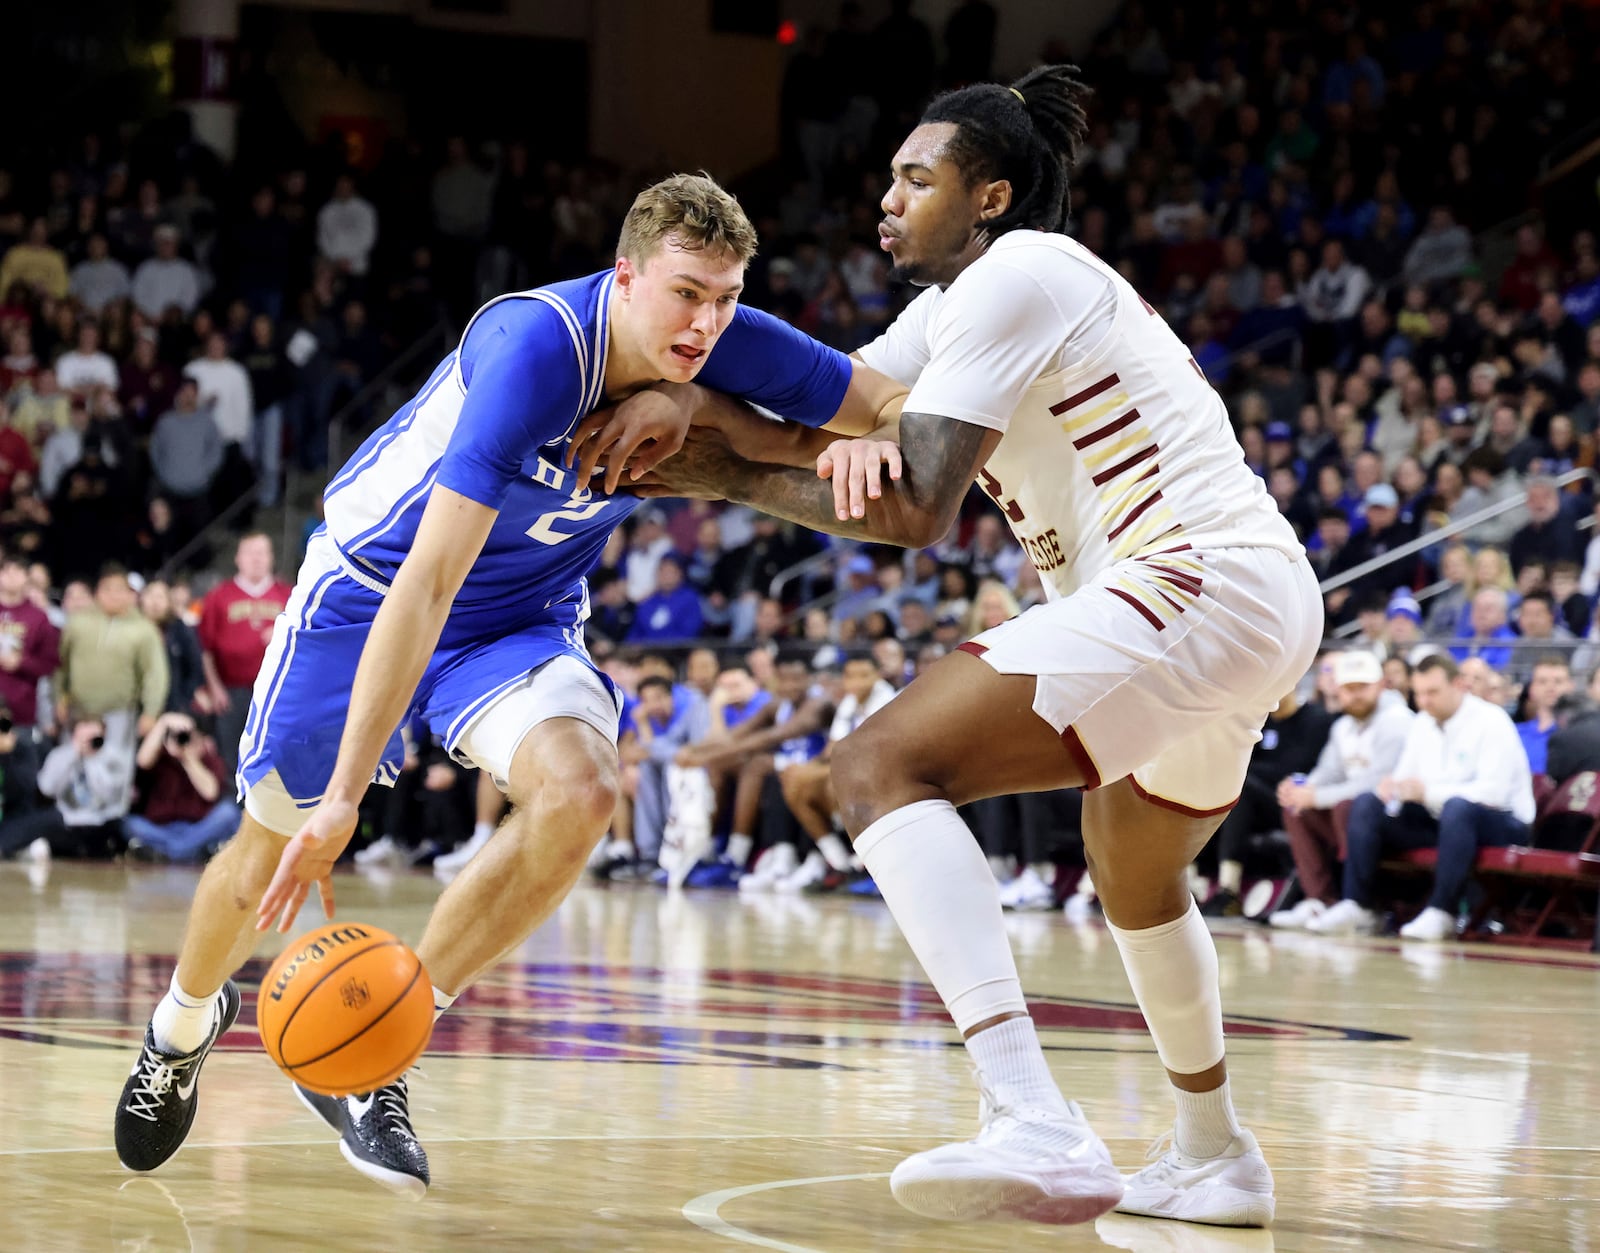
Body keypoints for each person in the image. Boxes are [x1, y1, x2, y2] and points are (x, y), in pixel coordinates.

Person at [603, 66, 1320, 1227]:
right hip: (1244, 597)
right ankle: (1214, 1152)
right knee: (1135, 875)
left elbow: (916, 505)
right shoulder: (954, 313)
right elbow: (832, 411)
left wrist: (721, 470)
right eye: (889, 174)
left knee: (875, 765)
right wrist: (685, 406)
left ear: (988, 198)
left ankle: (1028, 1108)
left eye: (915, 177)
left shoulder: (1022, 272)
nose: (885, 197)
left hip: (1192, 577)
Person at [112, 173, 905, 1196]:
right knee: (272, 848)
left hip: (520, 616)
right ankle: (179, 1027)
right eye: (682, 293)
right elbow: (426, 581)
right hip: (371, 595)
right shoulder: (536, 351)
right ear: (624, 277)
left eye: (723, 296)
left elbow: (888, 402)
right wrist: (348, 794)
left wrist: (750, 411)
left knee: (582, 792)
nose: (705, 319)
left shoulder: (723, 343)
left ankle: (380, 1048)